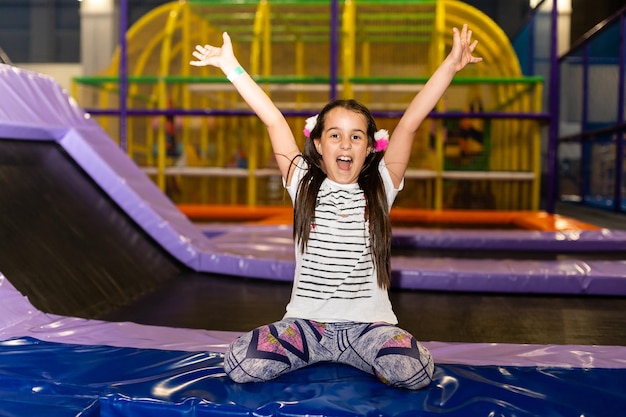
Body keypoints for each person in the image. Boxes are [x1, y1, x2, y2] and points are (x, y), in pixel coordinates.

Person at [190, 24, 482, 390]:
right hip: (306, 328)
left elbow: (409, 125)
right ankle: (325, 354)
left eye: (356, 136)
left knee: (414, 371)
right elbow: (273, 119)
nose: (346, 143)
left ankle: (368, 354)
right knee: (240, 364)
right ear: (319, 144)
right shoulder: (303, 182)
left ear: (370, 147)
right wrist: (230, 66)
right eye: (335, 135)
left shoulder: (381, 186)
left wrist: (451, 67)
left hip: (368, 329)